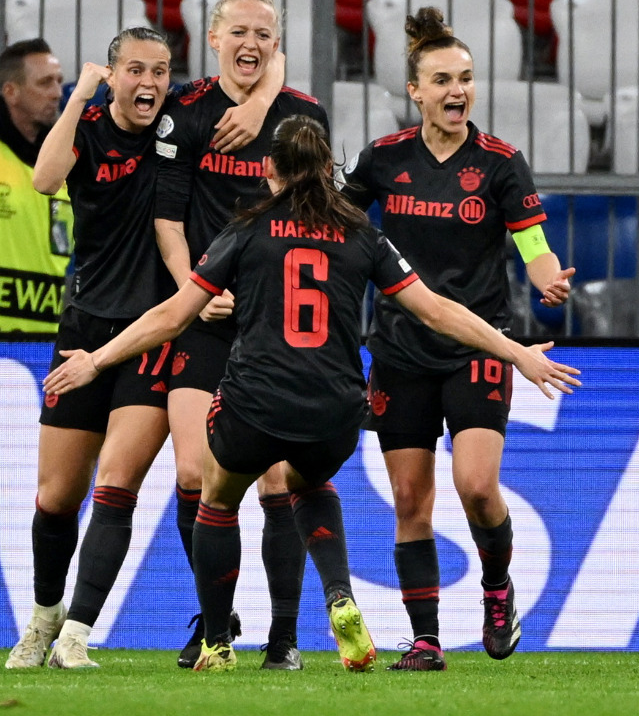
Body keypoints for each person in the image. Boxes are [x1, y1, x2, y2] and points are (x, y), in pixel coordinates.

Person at [41, 114, 581, 673]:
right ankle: (334, 597)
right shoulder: (363, 235)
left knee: (217, 499)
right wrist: (517, 353)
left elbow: (173, 316)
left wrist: (97, 360)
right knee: (310, 483)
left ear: (269, 171)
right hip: (336, 413)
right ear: (329, 170)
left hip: (255, 404)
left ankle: (218, 643)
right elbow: (439, 310)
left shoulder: (245, 230)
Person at [4, 27, 275, 670]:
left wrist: (262, 101)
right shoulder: (89, 127)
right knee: (54, 497)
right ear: (113, 74)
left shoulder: (180, 125)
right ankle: (43, 618)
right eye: (134, 70)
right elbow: (44, 180)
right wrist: (79, 98)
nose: (149, 83)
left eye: (160, 71)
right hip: (84, 329)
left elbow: (263, 63)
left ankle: (76, 634)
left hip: (156, 330)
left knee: (118, 484)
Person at [340, 6, 575, 671]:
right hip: (399, 350)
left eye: (466, 79)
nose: (457, 91)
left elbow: (533, 246)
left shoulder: (501, 163)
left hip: (479, 345)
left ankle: (497, 587)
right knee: (411, 500)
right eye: (442, 80)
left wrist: (548, 277)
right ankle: (426, 639)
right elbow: (338, 232)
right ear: (414, 90)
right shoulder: (383, 160)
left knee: (475, 486)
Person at [152, 0, 320, 669]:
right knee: (194, 470)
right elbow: (166, 218)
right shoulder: (185, 113)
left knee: (277, 479)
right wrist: (196, 290)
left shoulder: (303, 115)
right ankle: (214, 622)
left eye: (264, 33)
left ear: (276, 45)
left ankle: (283, 636)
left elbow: (317, 218)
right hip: (203, 317)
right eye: (239, 31)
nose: (251, 43)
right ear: (213, 39)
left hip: (276, 327)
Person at [0, 38, 71, 334]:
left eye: (59, 82)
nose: (56, 94)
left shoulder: (63, 164)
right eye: (44, 83)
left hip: (43, 346)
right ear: (11, 92)